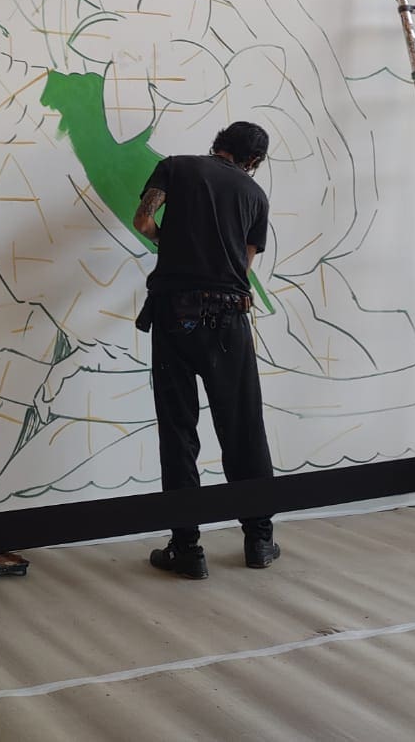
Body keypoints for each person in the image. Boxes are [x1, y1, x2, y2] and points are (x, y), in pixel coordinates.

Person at [133, 121, 279, 578]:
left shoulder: (175, 168)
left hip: (173, 317)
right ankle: (258, 540)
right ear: (253, 160)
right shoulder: (255, 195)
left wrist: (170, 243)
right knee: (242, 428)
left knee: (178, 430)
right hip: (228, 320)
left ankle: (187, 549)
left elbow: (143, 221)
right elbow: (243, 264)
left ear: (218, 143)